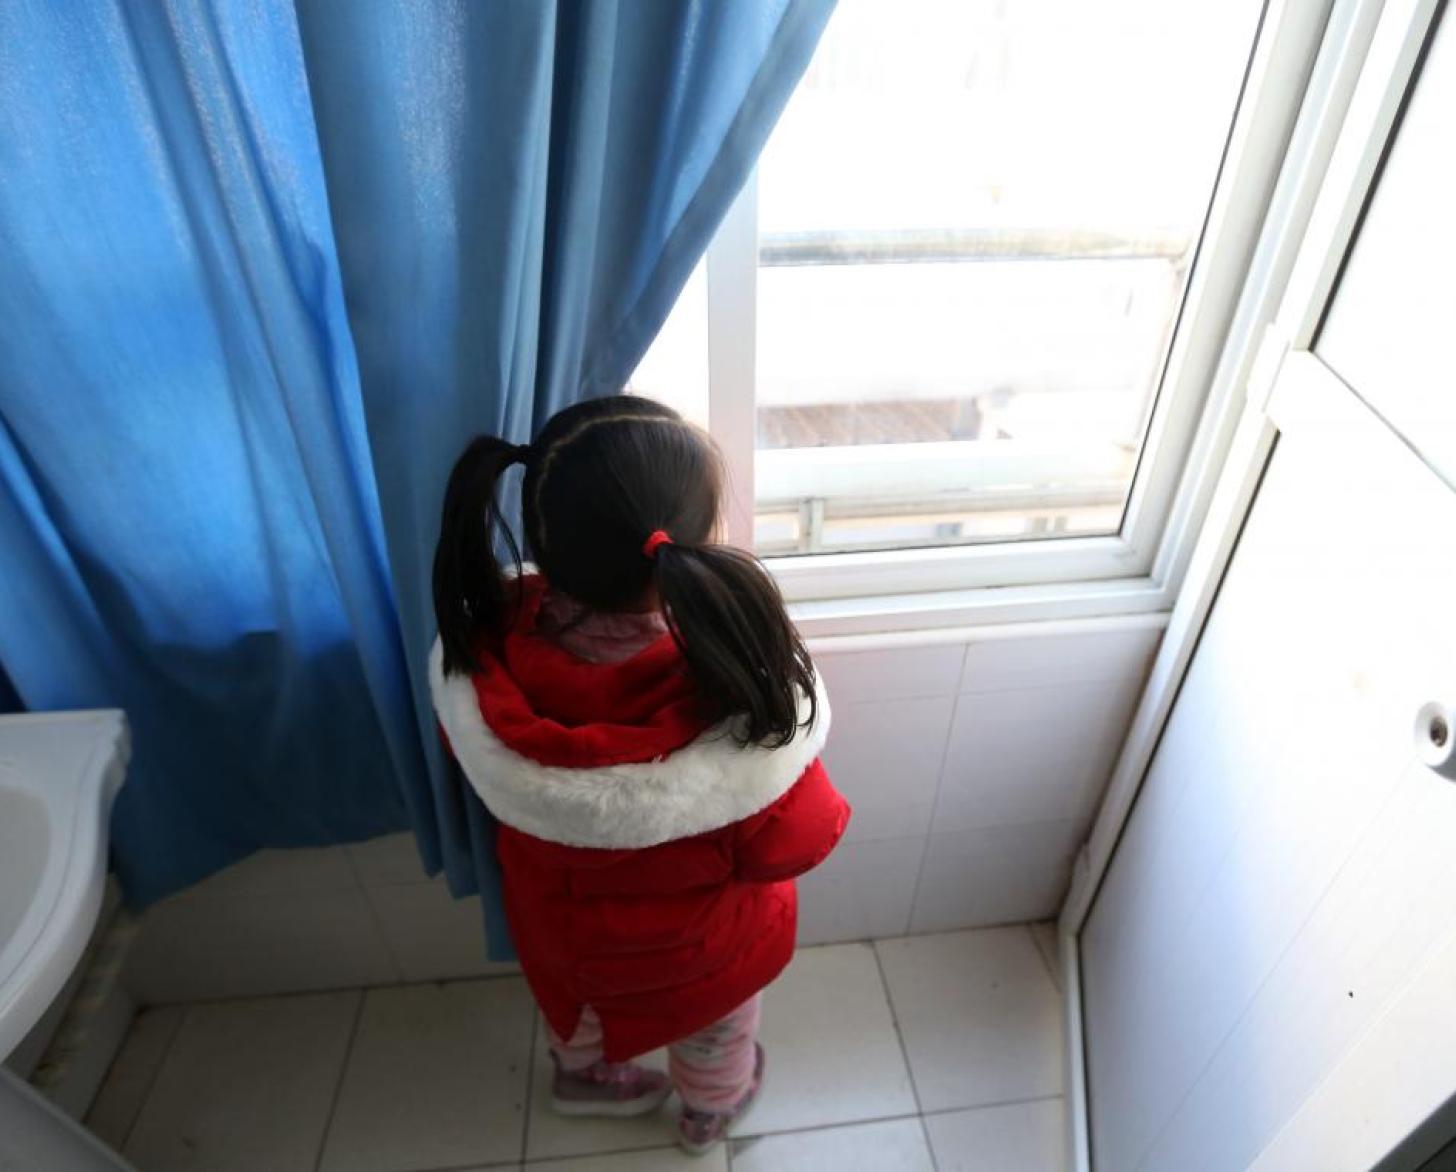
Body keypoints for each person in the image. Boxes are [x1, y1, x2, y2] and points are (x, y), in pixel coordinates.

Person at [429, 394, 850, 1154]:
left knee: (580, 1019)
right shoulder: (732, 688)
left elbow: (471, 761)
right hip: (701, 955)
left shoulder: (488, 652)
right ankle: (706, 1115)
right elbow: (795, 844)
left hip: (565, 940)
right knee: (715, 1038)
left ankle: (583, 1081)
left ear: (548, 538)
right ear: (691, 544)